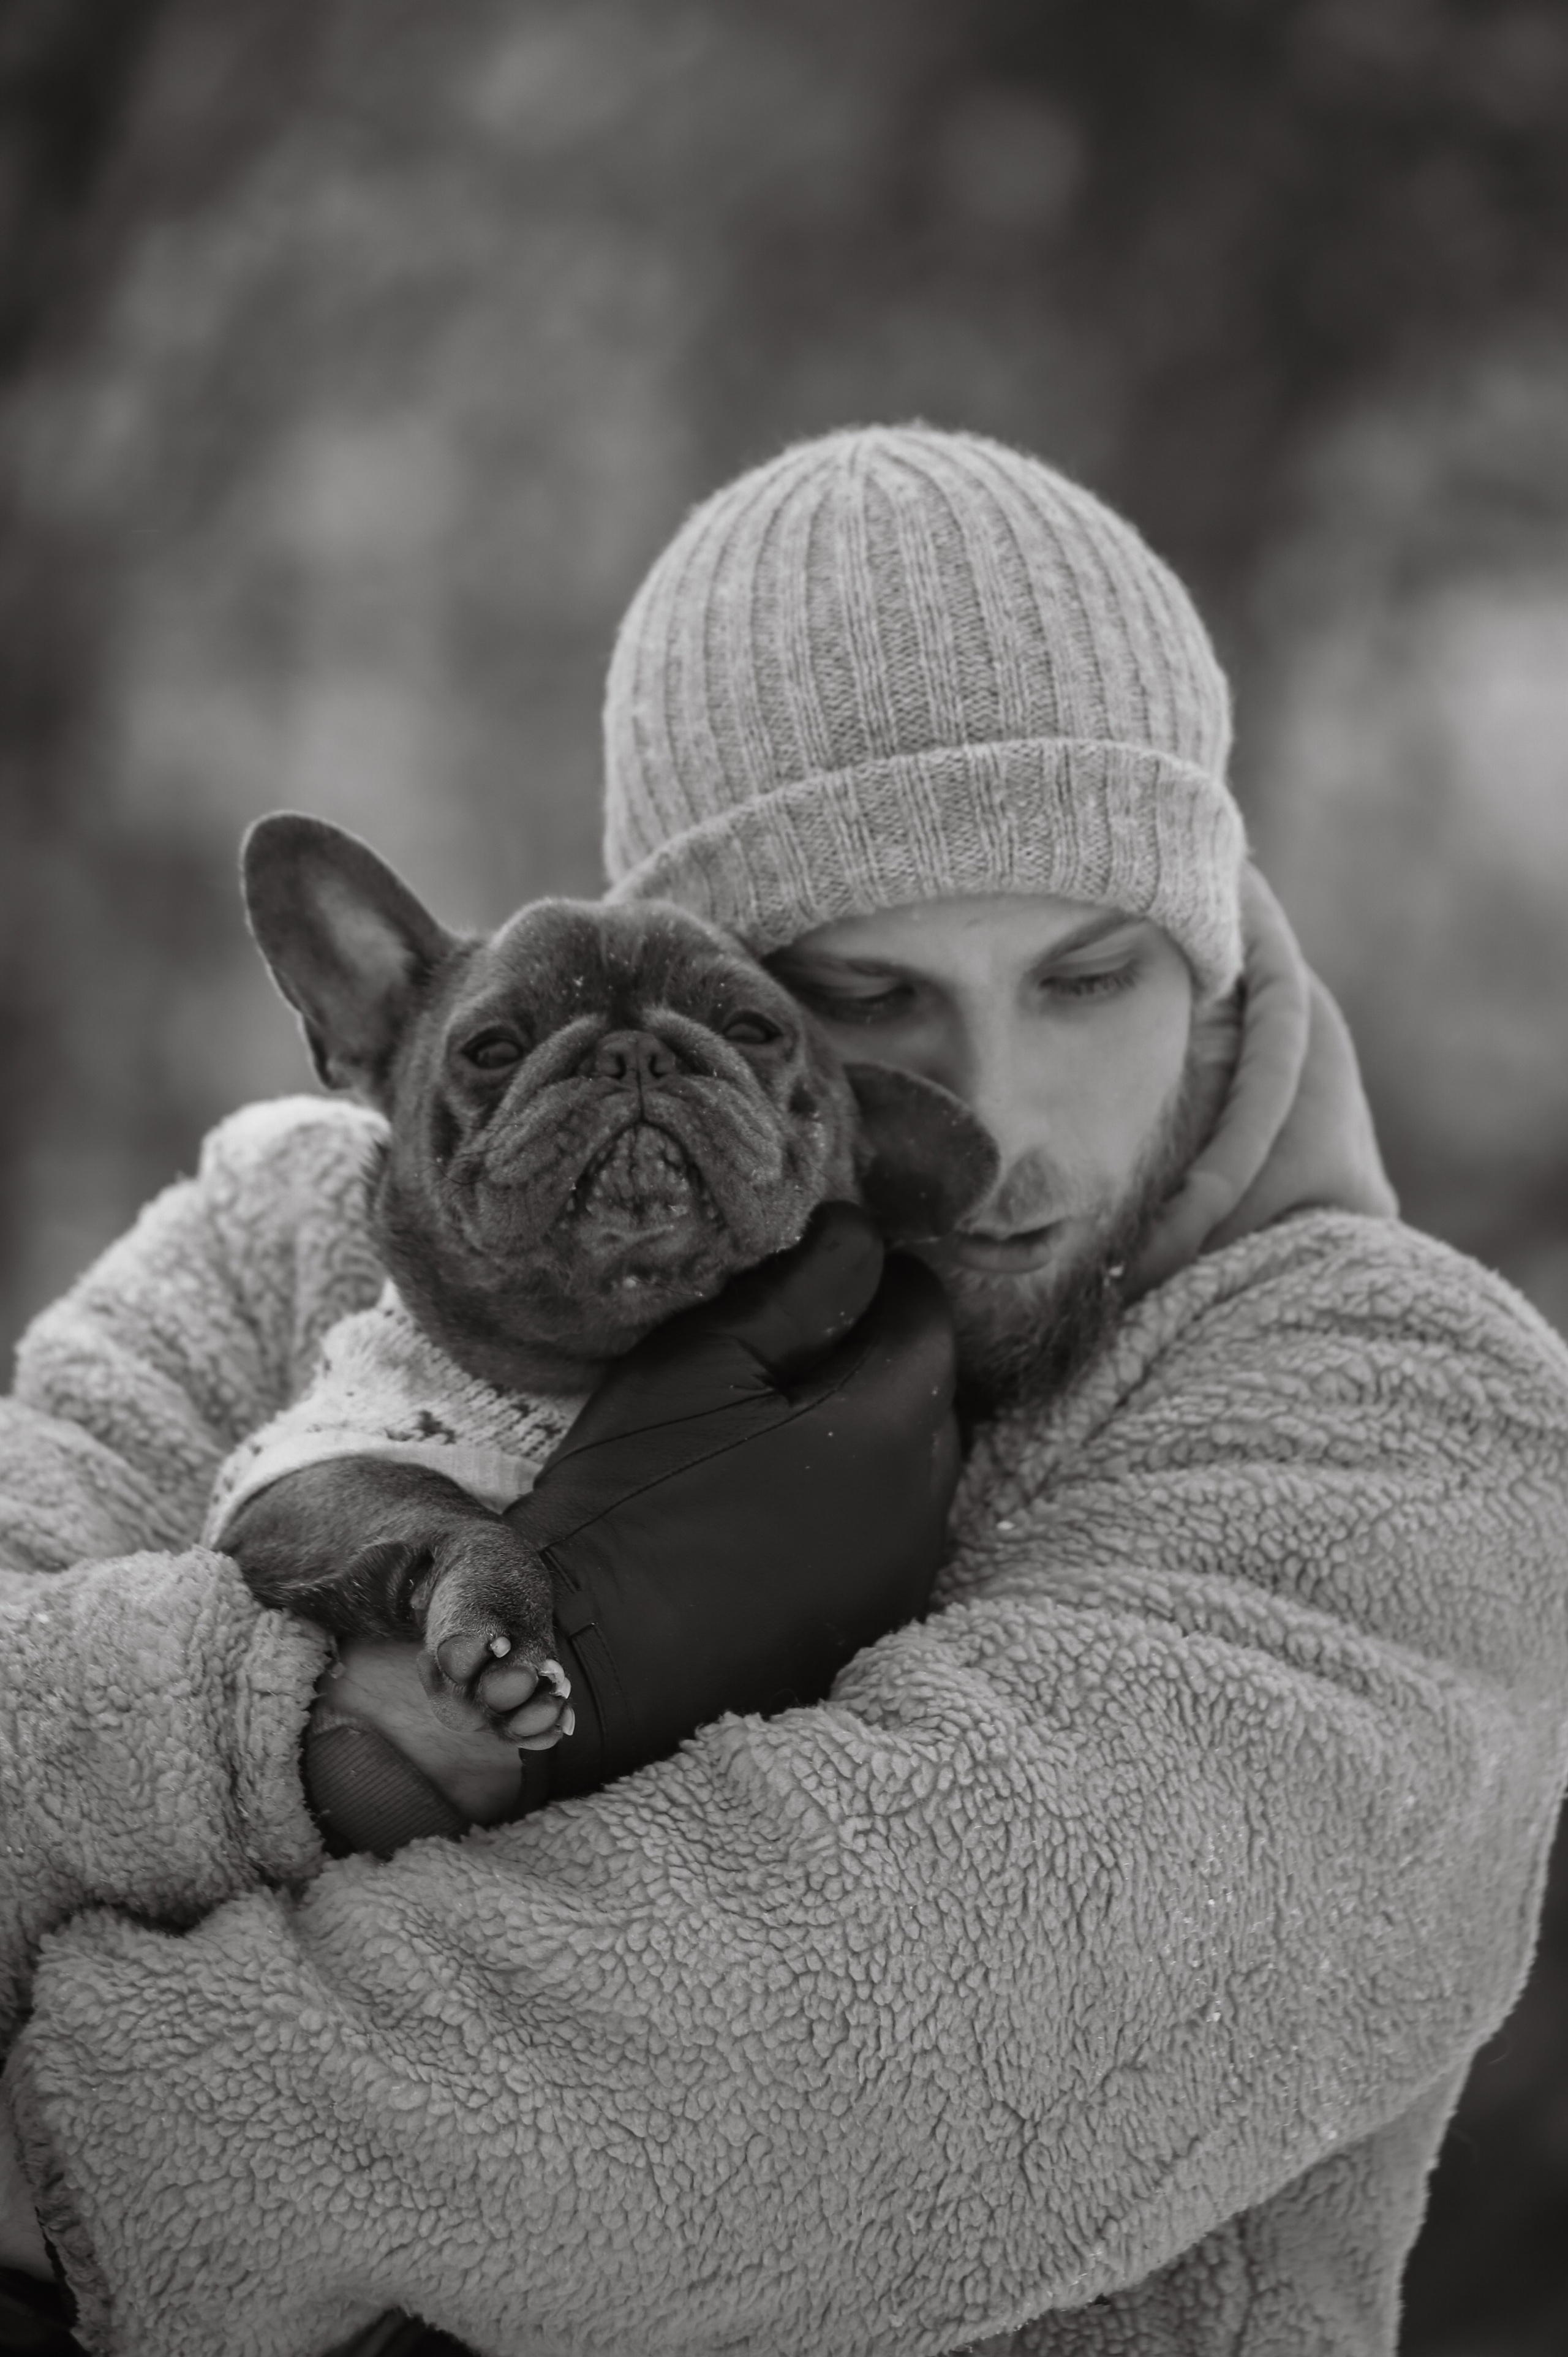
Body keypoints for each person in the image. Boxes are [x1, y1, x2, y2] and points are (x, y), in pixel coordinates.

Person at [2, 424, 1567, 2357]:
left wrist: (70, 2142)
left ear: (1217, 957)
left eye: (1093, 979)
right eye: (867, 996)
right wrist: (288, 1714)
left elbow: (840, 2051)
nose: (995, 1119)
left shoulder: (1406, 1412)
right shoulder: (299, 1238)